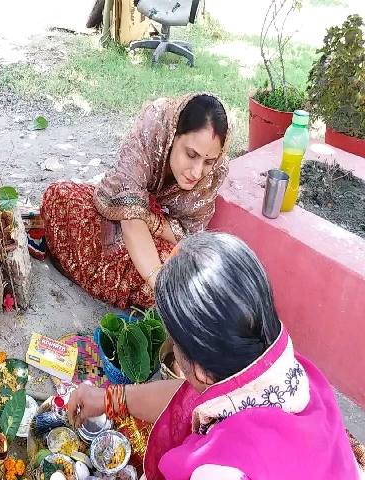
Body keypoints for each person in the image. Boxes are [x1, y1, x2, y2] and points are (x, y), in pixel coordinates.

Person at [68, 232, 364, 480]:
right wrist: (110, 400)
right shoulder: (290, 373)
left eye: (174, 343)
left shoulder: (220, 471)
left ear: (200, 371)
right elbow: (192, 399)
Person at [41, 93, 230, 309]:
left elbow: (189, 235)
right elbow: (130, 218)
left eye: (208, 161)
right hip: (116, 215)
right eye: (191, 154)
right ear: (173, 136)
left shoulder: (215, 173)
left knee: (181, 272)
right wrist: (160, 286)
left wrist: (153, 222)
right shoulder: (151, 132)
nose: (197, 172)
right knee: (59, 196)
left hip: (159, 241)